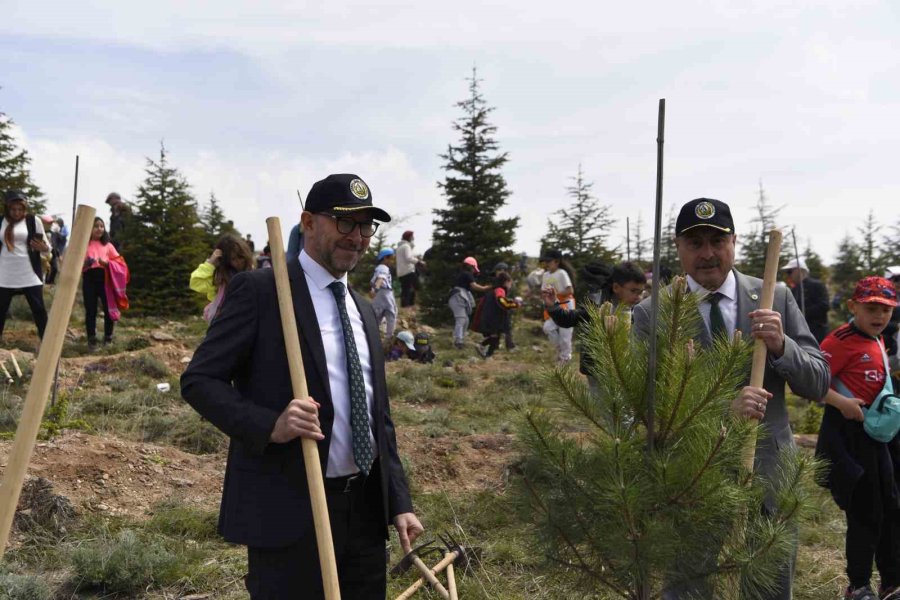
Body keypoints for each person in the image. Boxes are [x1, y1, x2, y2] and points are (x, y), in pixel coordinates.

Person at [181, 173, 422, 599]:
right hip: (291, 508)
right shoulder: (263, 292)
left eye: (366, 226)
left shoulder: (363, 311)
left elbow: (378, 417)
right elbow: (200, 380)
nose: (357, 236)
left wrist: (398, 500)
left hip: (365, 512)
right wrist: (270, 424)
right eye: (345, 222)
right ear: (308, 222)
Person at [632, 198, 829, 600]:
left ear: (734, 241)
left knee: (769, 586)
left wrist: (781, 346)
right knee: (687, 584)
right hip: (693, 474)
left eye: (717, 241)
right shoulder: (653, 313)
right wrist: (722, 410)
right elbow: (642, 405)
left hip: (768, 469)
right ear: (678, 248)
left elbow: (819, 383)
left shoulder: (774, 297)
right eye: (695, 243)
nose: (707, 253)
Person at [815, 276, 900, 600]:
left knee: (892, 508)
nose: (879, 316)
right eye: (872, 308)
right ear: (853, 307)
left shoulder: (878, 338)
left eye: (886, 310)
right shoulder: (839, 341)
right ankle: (859, 584)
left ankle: (891, 581)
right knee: (866, 512)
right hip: (852, 438)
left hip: (883, 439)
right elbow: (808, 384)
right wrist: (842, 403)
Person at [543, 261, 646, 380]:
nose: (638, 297)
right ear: (616, 287)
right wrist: (553, 306)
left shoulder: (637, 309)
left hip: (626, 370)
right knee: (601, 399)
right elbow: (568, 319)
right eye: (633, 291)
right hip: (599, 371)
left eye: (641, 292)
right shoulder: (598, 306)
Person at [0, 190, 51, 341]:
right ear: (7, 208)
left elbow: (47, 247)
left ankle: (47, 345)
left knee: (39, 310)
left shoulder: (33, 221)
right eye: (13, 209)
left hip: (29, 272)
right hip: (4, 273)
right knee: (0, 311)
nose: (16, 212)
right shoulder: (1, 221)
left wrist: (43, 249)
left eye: (20, 209)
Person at [190, 234, 254, 322]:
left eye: (240, 257)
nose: (238, 262)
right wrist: (211, 262)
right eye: (233, 259)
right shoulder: (220, 278)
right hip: (224, 321)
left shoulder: (253, 274)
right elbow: (196, 283)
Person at [82, 217, 122, 348]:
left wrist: (107, 263)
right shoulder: (83, 244)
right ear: (89, 228)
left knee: (108, 308)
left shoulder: (108, 245)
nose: (99, 229)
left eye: (101, 226)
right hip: (89, 278)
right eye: (96, 226)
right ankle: (91, 339)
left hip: (105, 279)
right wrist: (86, 264)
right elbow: (75, 264)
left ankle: (108, 337)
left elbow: (119, 262)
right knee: (90, 309)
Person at [782, 257, 830, 343]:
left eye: (790, 271)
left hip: (817, 332)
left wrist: (801, 314)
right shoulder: (793, 290)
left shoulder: (817, 285)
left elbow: (824, 305)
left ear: (800, 270)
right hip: (799, 333)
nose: (788, 275)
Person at [540, 249, 576, 363]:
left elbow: (570, 290)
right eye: (545, 262)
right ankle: (561, 352)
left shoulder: (562, 273)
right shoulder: (545, 275)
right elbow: (543, 290)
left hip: (566, 304)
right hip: (553, 305)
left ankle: (565, 359)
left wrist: (556, 294)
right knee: (548, 327)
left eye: (549, 261)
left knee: (565, 334)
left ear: (556, 261)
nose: (546, 264)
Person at [476, 271, 521, 358]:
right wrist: (515, 304)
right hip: (494, 318)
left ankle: (486, 353)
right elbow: (502, 302)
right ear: (506, 282)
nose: (510, 285)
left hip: (490, 317)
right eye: (510, 282)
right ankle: (483, 348)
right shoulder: (500, 290)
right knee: (495, 336)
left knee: (495, 337)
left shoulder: (494, 289)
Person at [448, 256, 491, 349]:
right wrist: (486, 288)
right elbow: (474, 286)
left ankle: (461, 338)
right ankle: (458, 341)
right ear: (471, 266)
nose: (474, 271)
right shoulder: (467, 274)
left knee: (465, 320)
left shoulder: (461, 273)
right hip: (457, 297)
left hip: (455, 297)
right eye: (474, 268)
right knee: (461, 318)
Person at [370, 248, 398, 339]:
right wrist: (376, 289)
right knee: (391, 314)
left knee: (376, 316)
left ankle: (372, 336)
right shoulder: (384, 268)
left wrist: (374, 289)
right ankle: (389, 337)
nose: (393, 261)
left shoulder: (378, 267)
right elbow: (381, 279)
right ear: (386, 258)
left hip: (380, 294)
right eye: (392, 258)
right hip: (385, 294)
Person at [396, 231, 424, 307]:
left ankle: (405, 306)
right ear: (409, 237)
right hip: (408, 271)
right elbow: (408, 258)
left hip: (401, 272)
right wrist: (419, 262)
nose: (413, 238)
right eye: (412, 236)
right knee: (417, 287)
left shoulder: (399, 247)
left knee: (405, 289)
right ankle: (412, 305)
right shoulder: (406, 246)